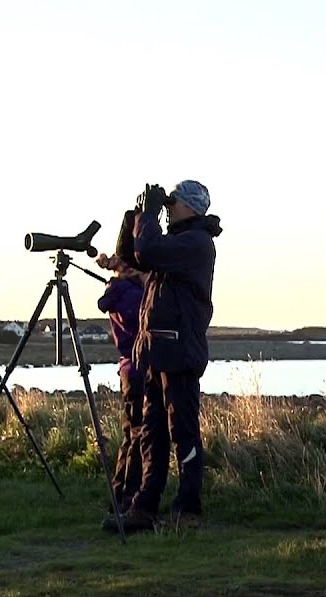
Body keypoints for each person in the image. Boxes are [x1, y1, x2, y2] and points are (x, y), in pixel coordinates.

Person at [114, 180, 221, 532]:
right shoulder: (175, 242)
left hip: (179, 352)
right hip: (157, 351)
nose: (169, 207)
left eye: (172, 202)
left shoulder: (196, 243)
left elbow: (148, 253)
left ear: (190, 207)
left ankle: (187, 509)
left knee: (183, 432)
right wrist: (136, 213)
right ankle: (145, 505)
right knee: (152, 434)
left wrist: (148, 215)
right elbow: (130, 255)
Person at [94, 252, 146, 530]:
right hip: (141, 367)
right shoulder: (137, 293)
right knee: (139, 434)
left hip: (126, 367)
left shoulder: (115, 292)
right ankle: (130, 497)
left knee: (129, 433)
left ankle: (119, 493)